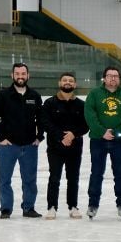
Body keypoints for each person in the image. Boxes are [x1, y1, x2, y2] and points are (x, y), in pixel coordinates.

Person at [0, 63, 45, 219]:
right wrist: (0, 138)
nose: (20, 76)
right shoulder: (3, 95)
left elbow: (41, 118)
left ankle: (29, 208)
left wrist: (39, 136)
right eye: (17, 74)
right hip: (8, 146)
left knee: (30, 180)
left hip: (29, 146)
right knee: (4, 180)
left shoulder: (34, 96)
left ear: (28, 75)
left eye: (23, 73)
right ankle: (6, 209)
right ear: (12, 75)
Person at [84, 66, 121, 219]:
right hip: (98, 140)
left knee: (120, 173)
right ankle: (93, 204)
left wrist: (117, 132)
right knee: (96, 173)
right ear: (104, 78)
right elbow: (90, 114)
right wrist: (102, 132)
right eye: (110, 75)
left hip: (119, 141)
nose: (113, 78)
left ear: (119, 79)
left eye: (116, 76)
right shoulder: (94, 94)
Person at [41, 72, 89, 219]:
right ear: (59, 83)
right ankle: (52, 207)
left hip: (75, 148)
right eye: (65, 80)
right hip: (55, 148)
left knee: (73, 178)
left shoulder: (81, 104)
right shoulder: (49, 103)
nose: (67, 82)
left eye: (71, 81)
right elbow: (45, 123)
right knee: (54, 178)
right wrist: (61, 137)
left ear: (75, 84)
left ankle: (73, 206)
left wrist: (73, 134)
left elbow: (85, 125)